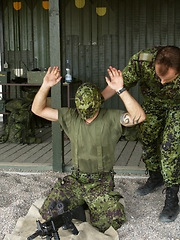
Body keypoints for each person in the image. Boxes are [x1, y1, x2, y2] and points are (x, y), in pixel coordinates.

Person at [31, 66, 146, 232]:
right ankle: (84, 203)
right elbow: (37, 110)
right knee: (49, 211)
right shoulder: (71, 116)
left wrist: (120, 89)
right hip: (77, 179)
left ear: (99, 102)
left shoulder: (111, 117)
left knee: (112, 222)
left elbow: (139, 116)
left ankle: (88, 203)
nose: (85, 114)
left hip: (101, 182)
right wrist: (45, 85)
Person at [103, 46, 180, 223]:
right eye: (159, 77)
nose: (161, 82)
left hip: (178, 106)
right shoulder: (142, 61)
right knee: (147, 139)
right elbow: (118, 86)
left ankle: (172, 197)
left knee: (170, 147)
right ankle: (155, 177)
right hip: (153, 104)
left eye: (167, 79)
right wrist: (95, 103)